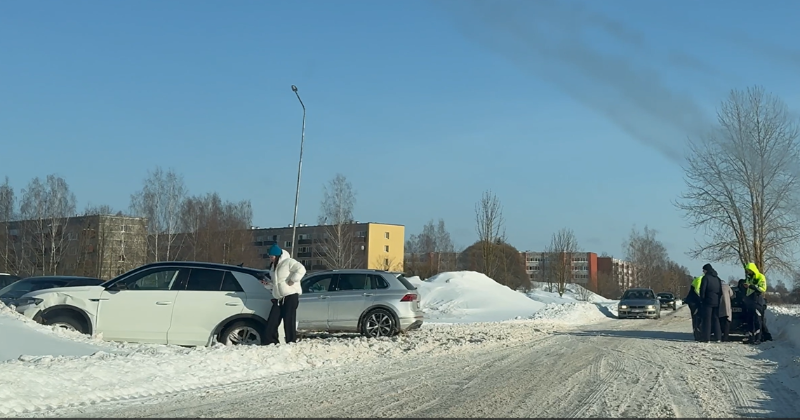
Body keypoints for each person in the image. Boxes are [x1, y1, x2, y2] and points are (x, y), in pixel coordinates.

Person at [263, 243, 305, 345]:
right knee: (273, 320)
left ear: (277, 256)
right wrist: (267, 284)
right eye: (270, 257)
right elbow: (276, 284)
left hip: (290, 295)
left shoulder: (288, 262)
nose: (270, 259)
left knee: (289, 320)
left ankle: (291, 341)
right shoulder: (273, 267)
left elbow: (301, 269)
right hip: (279, 298)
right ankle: (271, 342)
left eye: (272, 257)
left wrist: (293, 280)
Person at [742, 263, 767, 344]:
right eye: (747, 271)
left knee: (757, 320)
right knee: (750, 320)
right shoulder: (749, 278)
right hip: (749, 301)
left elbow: (762, 288)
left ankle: (758, 338)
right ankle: (751, 337)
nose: (748, 272)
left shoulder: (760, 277)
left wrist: (751, 286)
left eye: (749, 270)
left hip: (757, 300)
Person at [698, 263, 722, 343]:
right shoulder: (717, 278)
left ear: (706, 270)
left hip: (708, 301)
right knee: (716, 319)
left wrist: (702, 299)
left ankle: (706, 338)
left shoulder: (706, 278)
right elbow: (721, 291)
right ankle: (718, 337)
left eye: (703, 270)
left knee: (707, 320)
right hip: (717, 301)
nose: (703, 272)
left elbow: (702, 290)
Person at [684, 276, 702, 341]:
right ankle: (697, 334)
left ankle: (697, 333)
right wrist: (701, 299)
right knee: (696, 317)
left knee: (696, 317)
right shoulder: (700, 279)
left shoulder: (700, 278)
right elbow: (697, 291)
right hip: (693, 302)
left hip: (693, 301)